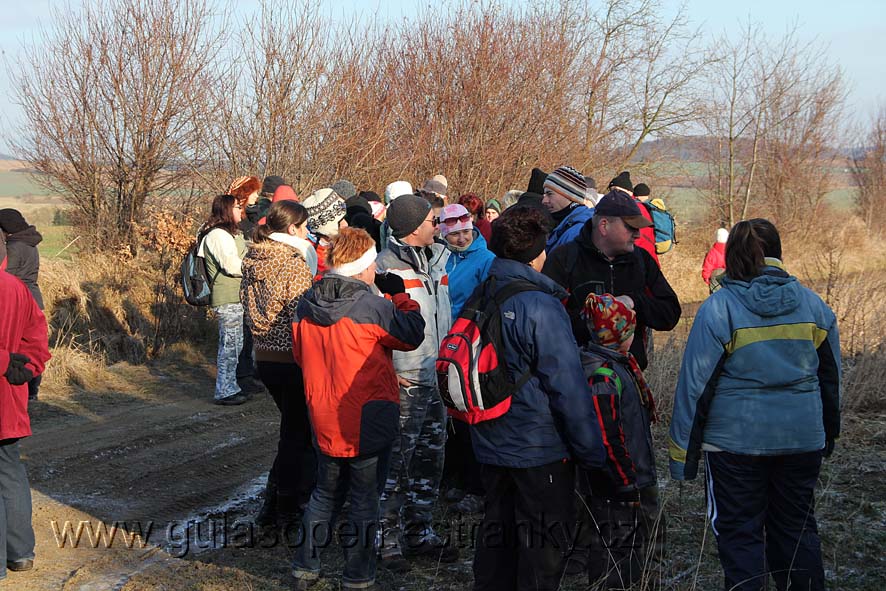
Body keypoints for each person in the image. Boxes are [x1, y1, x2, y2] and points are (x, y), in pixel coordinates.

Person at [669, 219, 840, 591]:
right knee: (796, 532)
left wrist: (682, 458)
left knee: (740, 537)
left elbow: (694, 389)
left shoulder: (719, 309)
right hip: (801, 438)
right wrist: (828, 434)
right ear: (779, 254)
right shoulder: (815, 306)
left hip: (734, 445)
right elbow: (831, 378)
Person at [470, 206, 605, 591]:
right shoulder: (540, 305)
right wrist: (591, 452)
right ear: (537, 253)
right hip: (536, 446)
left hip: (490, 435)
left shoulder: (484, 290)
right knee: (541, 548)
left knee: (496, 535)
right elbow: (567, 387)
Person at [292, 228, 425, 591]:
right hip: (369, 414)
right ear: (363, 267)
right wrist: (401, 297)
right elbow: (412, 334)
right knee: (365, 499)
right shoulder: (373, 306)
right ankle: (358, 576)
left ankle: (305, 567)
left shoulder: (305, 303)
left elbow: (300, 354)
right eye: (371, 266)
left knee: (325, 493)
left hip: (323, 413)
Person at [375, 193, 454, 571]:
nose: (437, 226)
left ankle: (419, 532)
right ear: (411, 229)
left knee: (430, 459)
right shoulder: (385, 269)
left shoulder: (439, 259)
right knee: (396, 464)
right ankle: (385, 540)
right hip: (404, 378)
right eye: (430, 222)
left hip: (436, 376)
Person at [542, 190, 681, 370]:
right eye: (631, 227)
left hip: (630, 375)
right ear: (604, 226)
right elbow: (546, 318)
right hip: (577, 376)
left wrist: (633, 302)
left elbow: (670, 313)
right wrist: (596, 319)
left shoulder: (642, 261)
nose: (638, 235)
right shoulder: (565, 258)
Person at [240, 200, 316, 527]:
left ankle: (274, 505)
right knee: (300, 435)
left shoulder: (253, 259)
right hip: (291, 356)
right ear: (292, 229)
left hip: (264, 355)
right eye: (305, 226)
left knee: (292, 431)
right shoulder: (292, 264)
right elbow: (302, 314)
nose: (309, 232)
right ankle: (290, 505)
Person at [576, 294, 659, 587]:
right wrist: (625, 481)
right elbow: (608, 436)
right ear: (618, 336)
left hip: (635, 474)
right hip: (621, 480)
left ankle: (643, 578)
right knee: (618, 544)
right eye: (630, 332)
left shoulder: (618, 364)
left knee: (642, 538)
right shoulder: (603, 377)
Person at [438, 203, 495, 514]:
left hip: (470, 346)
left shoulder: (486, 261)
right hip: (443, 344)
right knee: (449, 418)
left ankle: (475, 484)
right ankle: (453, 477)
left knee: (470, 414)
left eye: (465, 232)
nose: (461, 238)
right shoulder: (441, 259)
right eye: (454, 233)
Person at [0, 251, 51, 580]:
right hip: (10, 396)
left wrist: (16, 365)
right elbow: (38, 339)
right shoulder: (16, 287)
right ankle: (19, 554)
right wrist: (27, 368)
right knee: (9, 472)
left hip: (7, 389)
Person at [198, 194, 249, 405]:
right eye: (237, 207)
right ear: (227, 210)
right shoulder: (217, 235)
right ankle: (225, 391)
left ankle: (231, 387)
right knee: (229, 345)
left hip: (234, 297)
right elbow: (232, 266)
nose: (241, 211)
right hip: (228, 298)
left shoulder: (227, 234)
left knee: (235, 344)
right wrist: (254, 267)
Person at [227, 176, 267, 397]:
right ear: (245, 193)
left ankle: (247, 372)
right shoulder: (235, 223)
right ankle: (242, 376)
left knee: (248, 330)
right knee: (242, 331)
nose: (257, 196)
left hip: (250, 281)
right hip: (241, 281)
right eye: (253, 192)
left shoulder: (250, 215)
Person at [0, 209, 45, 400]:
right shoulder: (31, 243)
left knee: (16, 347)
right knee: (33, 346)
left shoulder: (14, 247)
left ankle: (23, 388)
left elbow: (6, 275)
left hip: (18, 301)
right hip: (34, 298)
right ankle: (33, 388)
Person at [609, 172, 659, 266]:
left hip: (641, 262)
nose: (614, 194)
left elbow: (635, 239)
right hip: (646, 260)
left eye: (617, 190)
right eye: (611, 190)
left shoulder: (632, 208)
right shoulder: (632, 206)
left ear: (629, 191)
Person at [542, 165, 594, 253]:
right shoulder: (564, 225)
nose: (544, 200)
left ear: (570, 196)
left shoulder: (576, 232)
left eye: (549, 194)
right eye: (544, 195)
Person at [302, 187, 348, 278]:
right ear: (326, 228)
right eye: (339, 222)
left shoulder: (347, 243)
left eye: (344, 218)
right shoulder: (309, 256)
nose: (345, 224)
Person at [702, 227, 729, 292]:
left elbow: (707, 267)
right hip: (728, 278)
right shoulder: (731, 251)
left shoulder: (712, 253)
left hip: (715, 279)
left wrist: (706, 278)